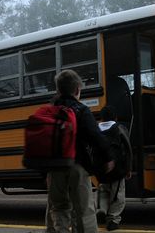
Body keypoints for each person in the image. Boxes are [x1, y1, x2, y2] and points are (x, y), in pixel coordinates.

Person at [46, 69, 114, 233]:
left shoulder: (48, 111)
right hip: (77, 164)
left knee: (58, 207)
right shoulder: (81, 110)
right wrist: (108, 157)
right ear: (77, 90)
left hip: (54, 167)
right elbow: (95, 136)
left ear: (58, 90)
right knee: (83, 209)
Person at [96, 105, 132, 231]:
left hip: (101, 170)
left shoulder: (96, 130)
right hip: (118, 170)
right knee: (117, 195)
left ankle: (102, 209)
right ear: (115, 117)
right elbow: (127, 149)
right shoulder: (120, 129)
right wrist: (128, 168)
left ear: (101, 118)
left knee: (104, 191)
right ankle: (113, 219)